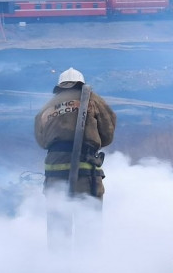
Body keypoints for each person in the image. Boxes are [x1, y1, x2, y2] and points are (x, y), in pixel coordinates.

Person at [34, 67, 116, 246]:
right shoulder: (91, 99)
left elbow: (41, 141)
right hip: (85, 174)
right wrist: (93, 140)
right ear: (81, 83)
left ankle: (58, 268)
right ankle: (86, 269)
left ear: (60, 86)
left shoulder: (46, 107)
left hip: (54, 176)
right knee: (88, 226)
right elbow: (108, 131)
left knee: (58, 228)